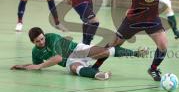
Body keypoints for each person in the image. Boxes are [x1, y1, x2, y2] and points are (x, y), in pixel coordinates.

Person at [11, 27, 148, 80]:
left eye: (42, 38)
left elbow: (58, 58)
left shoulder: (52, 37)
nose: (41, 42)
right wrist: (23, 66)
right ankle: (97, 74)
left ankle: (137, 53)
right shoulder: (36, 52)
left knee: (105, 51)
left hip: (77, 50)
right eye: (37, 41)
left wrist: (40, 66)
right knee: (74, 68)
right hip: (70, 61)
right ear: (32, 42)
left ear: (44, 35)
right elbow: (35, 66)